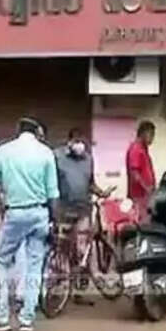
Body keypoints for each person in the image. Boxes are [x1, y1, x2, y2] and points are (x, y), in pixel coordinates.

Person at [0, 117, 59, 331]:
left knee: (1, 263)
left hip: (15, 213)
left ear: (18, 130)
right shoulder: (46, 153)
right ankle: (27, 319)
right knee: (35, 267)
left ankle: (2, 317)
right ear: (36, 132)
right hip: (39, 213)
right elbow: (53, 193)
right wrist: (55, 220)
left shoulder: (5, 150)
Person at [55, 128, 111, 305]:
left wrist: (101, 192)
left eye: (83, 141)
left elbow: (90, 184)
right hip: (63, 211)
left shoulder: (88, 159)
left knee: (82, 251)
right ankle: (60, 290)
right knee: (62, 251)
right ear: (69, 141)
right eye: (77, 141)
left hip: (83, 211)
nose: (80, 145)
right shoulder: (57, 157)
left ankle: (79, 291)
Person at [127, 121, 156, 223]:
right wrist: (147, 188)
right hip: (139, 196)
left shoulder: (143, 149)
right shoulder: (136, 149)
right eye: (151, 134)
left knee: (148, 222)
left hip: (145, 196)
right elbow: (135, 173)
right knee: (142, 225)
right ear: (143, 133)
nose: (152, 138)